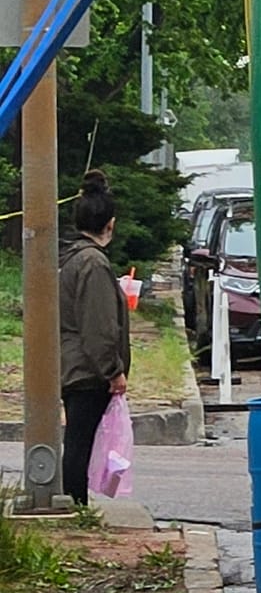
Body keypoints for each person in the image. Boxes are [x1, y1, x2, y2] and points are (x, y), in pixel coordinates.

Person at [58, 176, 129, 505]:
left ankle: (74, 502)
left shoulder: (71, 258)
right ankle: (75, 506)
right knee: (80, 443)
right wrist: (113, 370)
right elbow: (99, 325)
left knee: (78, 440)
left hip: (72, 363)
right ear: (110, 224)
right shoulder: (94, 263)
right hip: (88, 370)